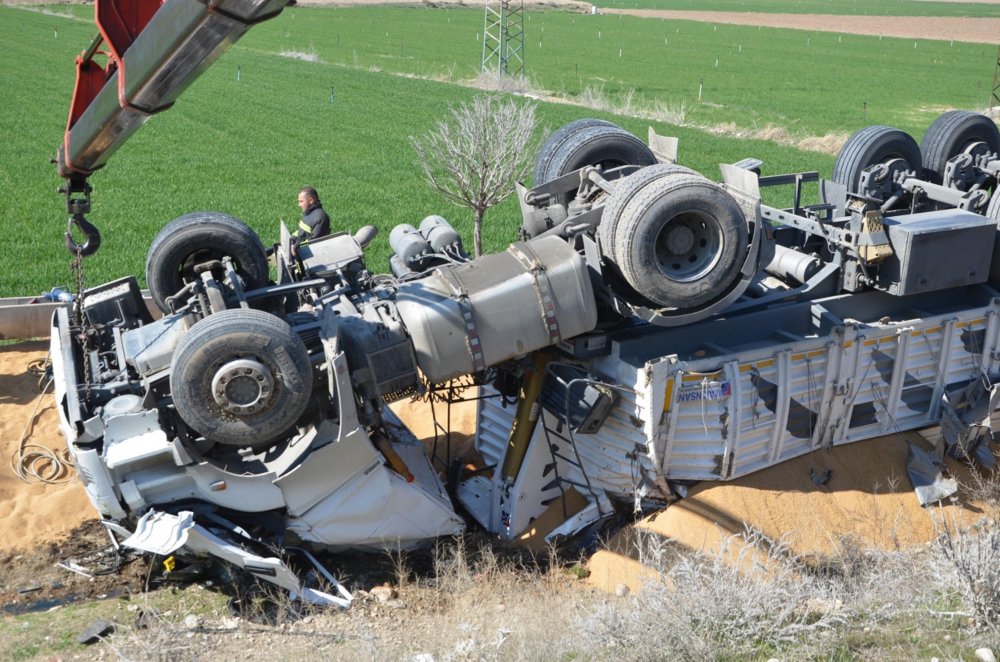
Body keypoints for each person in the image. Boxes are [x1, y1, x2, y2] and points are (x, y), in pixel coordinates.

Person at [292, 186, 331, 255]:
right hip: (299, 248)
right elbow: (300, 231)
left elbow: (313, 242)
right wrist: (292, 239)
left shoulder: (320, 217)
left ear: (311, 200)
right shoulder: (308, 212)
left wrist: (296, 247)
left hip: (312, 254)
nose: (299, 205)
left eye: (301, 201)